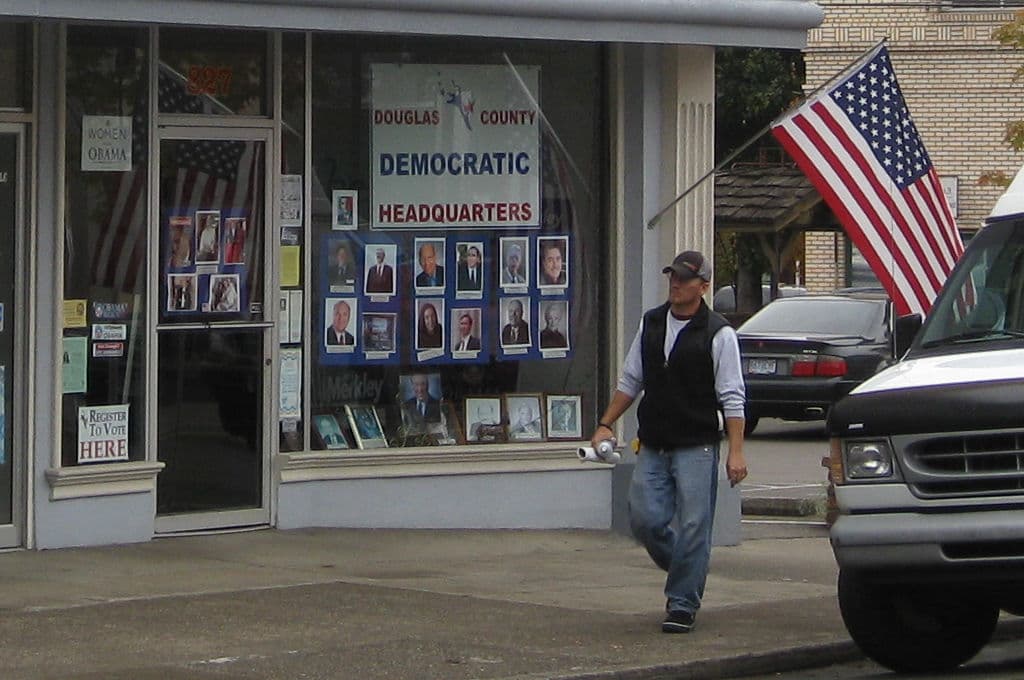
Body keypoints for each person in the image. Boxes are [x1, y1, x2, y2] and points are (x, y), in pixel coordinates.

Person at [591, 250, 747, 635]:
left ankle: (682, 603)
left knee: (695, 524)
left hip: (697, 443)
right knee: (644, 518)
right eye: (672, 277)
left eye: (684, 279)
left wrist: (737, 451)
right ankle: (687, 568)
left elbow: (732, 397)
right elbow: (631, 381)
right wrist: (605, 423)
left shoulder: (718, 333)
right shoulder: (652, 323)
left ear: (703, 286)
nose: (675, 284)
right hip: (654, 442)